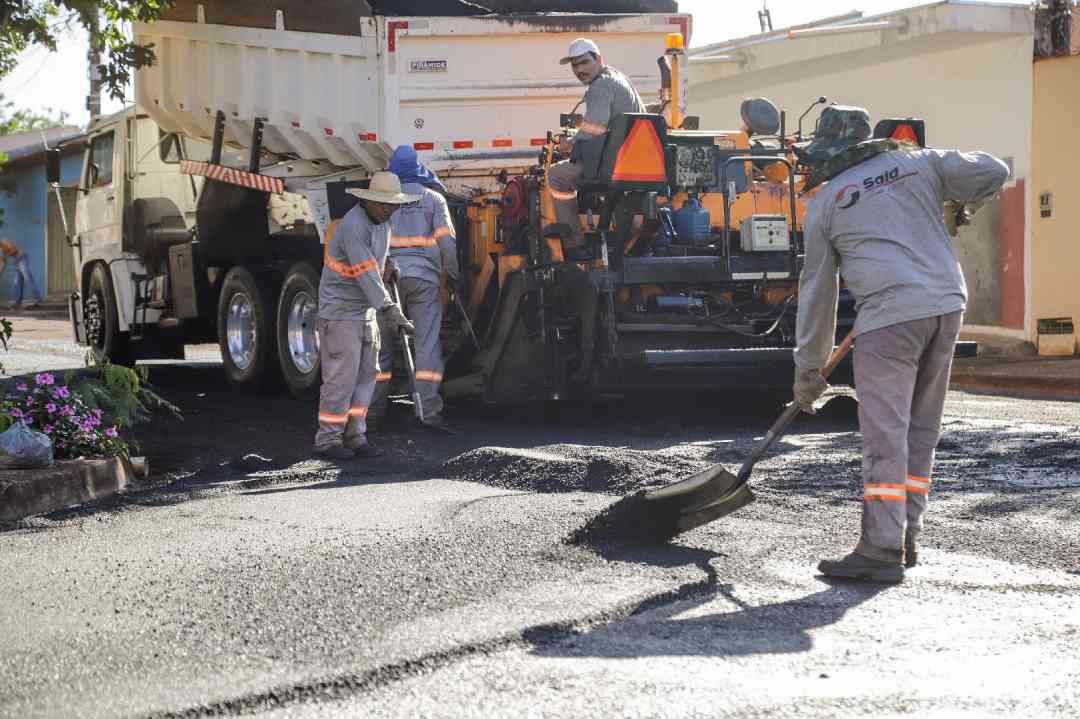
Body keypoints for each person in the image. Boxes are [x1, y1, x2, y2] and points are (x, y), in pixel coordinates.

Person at [792, 105, 1009, 583]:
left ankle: (881, 549)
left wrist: (808, 372)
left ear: (830, 154)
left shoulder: (827, 204)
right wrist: (961, 203)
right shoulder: (921, 163)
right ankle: (908, 533)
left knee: (885, 433)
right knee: (920, 429)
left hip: (890, 316)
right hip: (946, 304)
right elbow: (996, 169)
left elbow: (818, 295)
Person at [314, 171, 417, 460]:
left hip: (364, 311)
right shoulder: (352, 226)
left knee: (366, 375)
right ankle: (328, 440)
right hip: (341, 312)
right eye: (384, 204)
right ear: (369, 201)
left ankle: (355, 434)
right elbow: (365, 274)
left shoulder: (383, 223)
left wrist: (389, 263)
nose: (389, 209)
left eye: (393, 205)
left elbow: (375, 262)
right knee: (341, 378)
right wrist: (391, 310)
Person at [370, 146, 461, 430]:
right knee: (426, 347)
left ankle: (372, 414)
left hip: (388, 282)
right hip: (424, 281)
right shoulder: (434, 200)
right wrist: (454, 275)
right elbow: (447, 243)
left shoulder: (383, 201)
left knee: (381, 349)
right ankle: (428, 412)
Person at [547, 37, 646, 257]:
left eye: (584, 63)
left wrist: (569, 144)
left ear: (598, 59)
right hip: (631, 160)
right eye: (575, 65)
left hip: (614, 165)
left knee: (556, 175)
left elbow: (596, 128)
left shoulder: (599, 87)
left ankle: (574, 243)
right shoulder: (618, 77)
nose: (579, 69)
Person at [0, 238, 43, 309]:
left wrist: (5, 256)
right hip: (17, 261)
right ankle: (18, 302)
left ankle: (38, 299)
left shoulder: (5, 242)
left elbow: (14, 250)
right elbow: (3, 263)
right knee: (17, 283)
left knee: (28, 279)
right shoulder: (2, 249)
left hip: (21, 258)